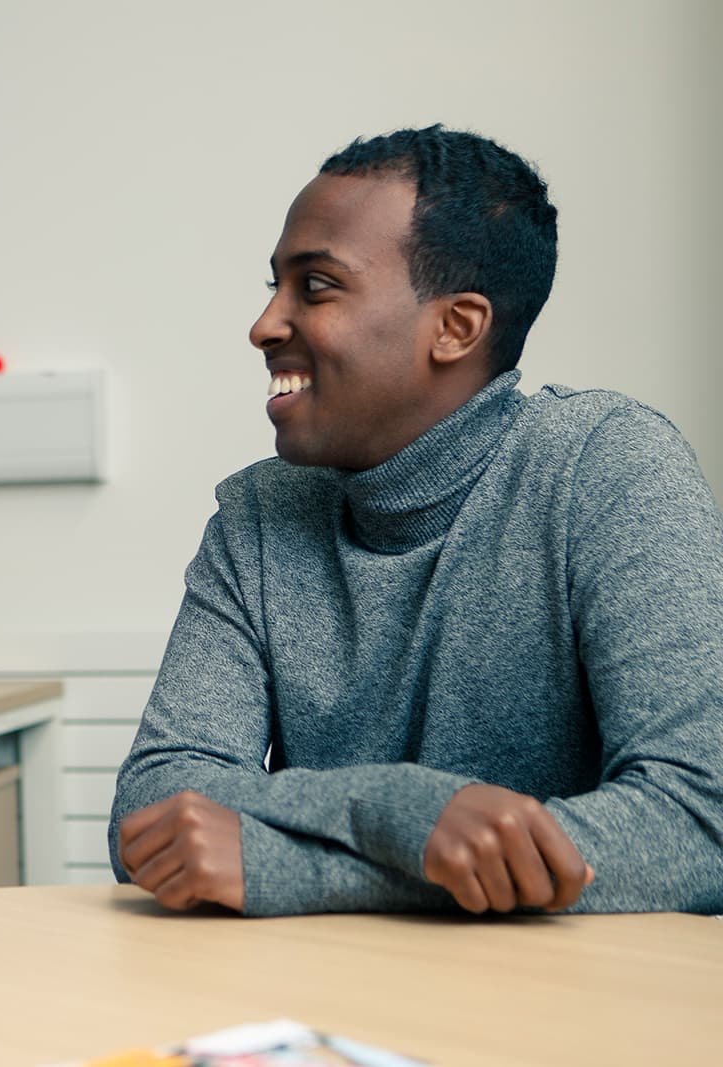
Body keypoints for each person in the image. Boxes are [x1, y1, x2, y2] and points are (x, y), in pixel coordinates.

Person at [109, 125, 723, 917]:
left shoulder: (605, 465)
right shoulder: (257, 516)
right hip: (319, 1010)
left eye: (317, 286)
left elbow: (697, 824)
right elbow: (152, 809)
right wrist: (400, 808)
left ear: (456, 327)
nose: (264, 324)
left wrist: (296, 867)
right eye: (275, 285)